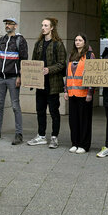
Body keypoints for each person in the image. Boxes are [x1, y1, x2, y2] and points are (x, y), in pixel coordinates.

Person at [0, 17, 28, 145]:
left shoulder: (20, 40)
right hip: (0, 78)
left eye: (10, 24)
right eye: (6, 23)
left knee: (15, 106)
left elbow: (24, 60)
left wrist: (20, 76)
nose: (7, 25)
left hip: (13, 77)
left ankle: (19, 134)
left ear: (15, 26)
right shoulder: (1, 40)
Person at [27, 18, 67, 149]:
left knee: (54, 112)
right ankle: (41, 136)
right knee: (40, 111)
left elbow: (62, 64)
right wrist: (31, 77)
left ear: (52, 28)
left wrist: (49, 69)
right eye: (42, 25)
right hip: (40, 84)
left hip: (53, 84)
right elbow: (33, 62)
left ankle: (54, 137)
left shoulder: (58, 44)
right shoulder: (38, 43)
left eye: (45, 25)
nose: (43, 27)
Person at [65, 33, 95, 154]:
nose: (77, 42)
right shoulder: (72, 55)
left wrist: (90, 92)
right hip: (72, 92)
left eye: (80, 40)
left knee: (84, 120)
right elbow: (68, 74)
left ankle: (84, 144)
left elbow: (93, 74)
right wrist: (66, 90)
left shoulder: (89, 55)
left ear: (84, 42)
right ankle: (75, 143)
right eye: (76, 40)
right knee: (73, 120)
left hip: (84, 94)